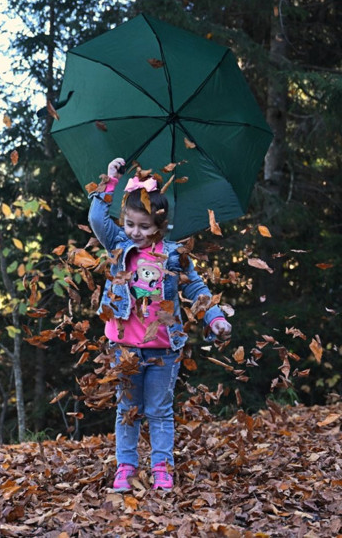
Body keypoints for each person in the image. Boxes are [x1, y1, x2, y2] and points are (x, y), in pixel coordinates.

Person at [88, 157, 232, 492]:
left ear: (160, 226)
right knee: (128, 409)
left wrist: (215, 317)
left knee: (159, 410)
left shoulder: (174, 255)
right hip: (124, 347)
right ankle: (126, 467)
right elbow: (96, 218)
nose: (135, 232)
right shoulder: (119, 245)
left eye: (144, 226)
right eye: (129, 224)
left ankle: (162, 468)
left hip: (164, 349)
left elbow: (196, 288)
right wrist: (110, 181)